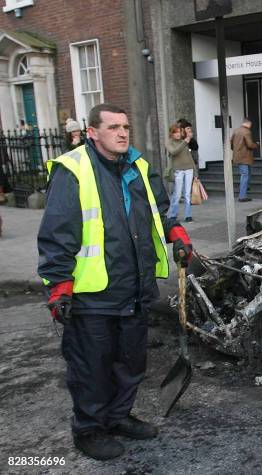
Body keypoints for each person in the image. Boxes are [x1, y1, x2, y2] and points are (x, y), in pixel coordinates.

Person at [37, 103, 193, 461]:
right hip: (92, 295)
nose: (122, 133)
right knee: (91, 366)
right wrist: (58, 285)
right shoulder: (73, 169)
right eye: (113, 127)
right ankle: (89, 429)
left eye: (125, 126)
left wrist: (178, 233)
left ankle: (118, 416)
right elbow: (57, 234)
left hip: (135, 288)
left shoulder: (139, 167)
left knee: (131, 361)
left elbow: (161, 211)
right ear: (92, 132)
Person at [166, 122, 198, 222]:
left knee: (187, 194)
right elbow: (174, 152)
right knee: (177, 194)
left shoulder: (183, 141)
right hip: (178, 171)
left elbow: (190, 157)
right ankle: (173, 215)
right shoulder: (169, 142)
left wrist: (195, 173)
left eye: (179, 132)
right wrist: (185, 142)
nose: (178, 134)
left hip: (189, 169)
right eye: (175, 132)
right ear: (171, 133)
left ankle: (188, 215)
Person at [230, 117, 259, 202]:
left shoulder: (236, 130)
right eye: (251, 124)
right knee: (245, 175)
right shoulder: (247, 131)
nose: (251, 126)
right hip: (245, 157)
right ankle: (242, 196)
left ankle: (246, 187)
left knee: (247, 173)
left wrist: (236, 150)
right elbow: (250, 145)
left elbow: (230, 142)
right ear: (248, 123)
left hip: (238, 156)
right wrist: (256, 144)